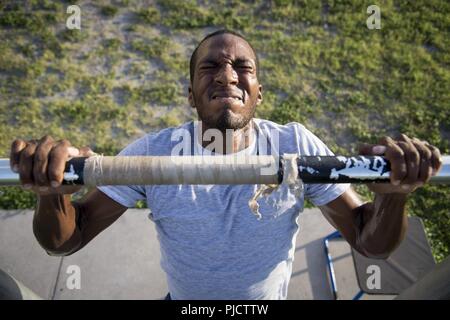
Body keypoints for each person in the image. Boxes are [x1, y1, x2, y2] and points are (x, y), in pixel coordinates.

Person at [10, 30, 442, 300]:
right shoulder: (156, 153)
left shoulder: (294, 145)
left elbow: (370, 243)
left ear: (258, 93)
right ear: (192, 94)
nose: (227, 74)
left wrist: (392, 198)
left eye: (242, 67)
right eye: (209, 67)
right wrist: (53, 196)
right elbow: (68, 239)